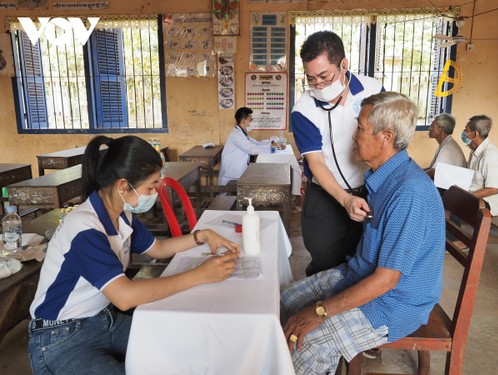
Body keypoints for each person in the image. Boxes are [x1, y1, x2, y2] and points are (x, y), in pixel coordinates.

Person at [28, 135, 240, 375]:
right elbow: (125, 297)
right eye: (150, 187)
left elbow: (158, 249)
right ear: (122, 186)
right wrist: (201, 275)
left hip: (103, 318)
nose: (155, 192)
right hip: (60, 337)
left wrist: (202, 236)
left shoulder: (122, 216)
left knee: (182, 347)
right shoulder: (84, 229)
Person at [281, 92, 445, 375]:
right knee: (285, 301)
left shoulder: (409, 192)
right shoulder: (385, 178)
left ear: (386, 137)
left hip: (393, 303)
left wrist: (320, 310)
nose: (354, 136)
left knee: (308, 344)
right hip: (360, 276)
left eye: (361, 128)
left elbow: (386, 280)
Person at [291, 30, 384, 276]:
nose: (318, 85)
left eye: (324, 76)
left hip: (370, 194)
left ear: (343, 64)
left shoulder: (372, 90)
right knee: (325, 267)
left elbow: (388, 136)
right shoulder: (303, 110)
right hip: (327, 198)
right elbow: (316, 164)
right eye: (310, 79)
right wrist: (345, 200)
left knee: (368, 265)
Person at [218, 107, 285, 185]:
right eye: (250, 119)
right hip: (232, 172)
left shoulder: (242, 133)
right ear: (244, 121)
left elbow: (256, 143)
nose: (251, 121)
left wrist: (272, 142)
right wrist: (271, 148)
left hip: (239, 168)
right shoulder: (237, 135)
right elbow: (251, 149)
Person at [462, 115, 498, 216]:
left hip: (488, 202)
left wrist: (468, 196)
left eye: (466, 130)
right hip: (472, 195)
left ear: (474, 134)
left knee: (453, 204)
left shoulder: (491, 155)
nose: (464, 132)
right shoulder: (474, 150)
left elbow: (494, 189)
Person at [425, 113, 466, 179]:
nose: (429, 129)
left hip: (451, 188)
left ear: (440, 129)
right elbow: (431, 168)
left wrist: (416, 176)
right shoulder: (446, 144)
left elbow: (433, 172)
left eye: (432, 126)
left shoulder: (448, 148)